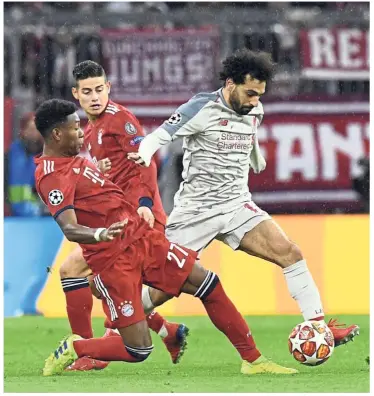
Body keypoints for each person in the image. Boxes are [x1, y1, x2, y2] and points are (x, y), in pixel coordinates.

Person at [34, 99, 298, 376]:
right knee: (139, 350)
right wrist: (101, 233)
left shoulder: (75, 160)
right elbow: (69, 228)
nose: (81, 133)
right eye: (76, 128)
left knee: (208, 284)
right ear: (56, 134)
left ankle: (253, 360)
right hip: (114, 261)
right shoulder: (51, 176)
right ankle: (77, 348)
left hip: (143, 240)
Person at [129, 49, 359, 347]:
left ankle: (318, 329)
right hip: (197, 211)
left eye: (259, 95)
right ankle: (112, 335)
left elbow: (249, 134)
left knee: (289, 252)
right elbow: (161, 135)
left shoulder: (254, 110)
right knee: (162, 289)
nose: (255, 101)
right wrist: (144, 153)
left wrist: (255, 157)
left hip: (237, 204)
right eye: (250, 93)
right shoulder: (202, 107)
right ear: (229, 84)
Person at [58, 60, 186, 371]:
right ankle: (166, 330)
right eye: (87, 91)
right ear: (77, 94)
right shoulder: (90, 132)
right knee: (99, 284)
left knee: (72, 271)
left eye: (99, 89)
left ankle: (86, 351)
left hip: (137, 218)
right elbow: (114, 173)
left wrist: (144, 201)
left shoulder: (121, 120)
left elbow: (145, 162)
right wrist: (96, 172)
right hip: (117, 219)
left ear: (108, 88)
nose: (94, 97)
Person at [7, 112, 45, 216]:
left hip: (41, 217)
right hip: (12, 216)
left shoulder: (48, 155)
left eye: (36, 129)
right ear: (23, 131)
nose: (33, 133)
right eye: (30, 128)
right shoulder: (11, 154)